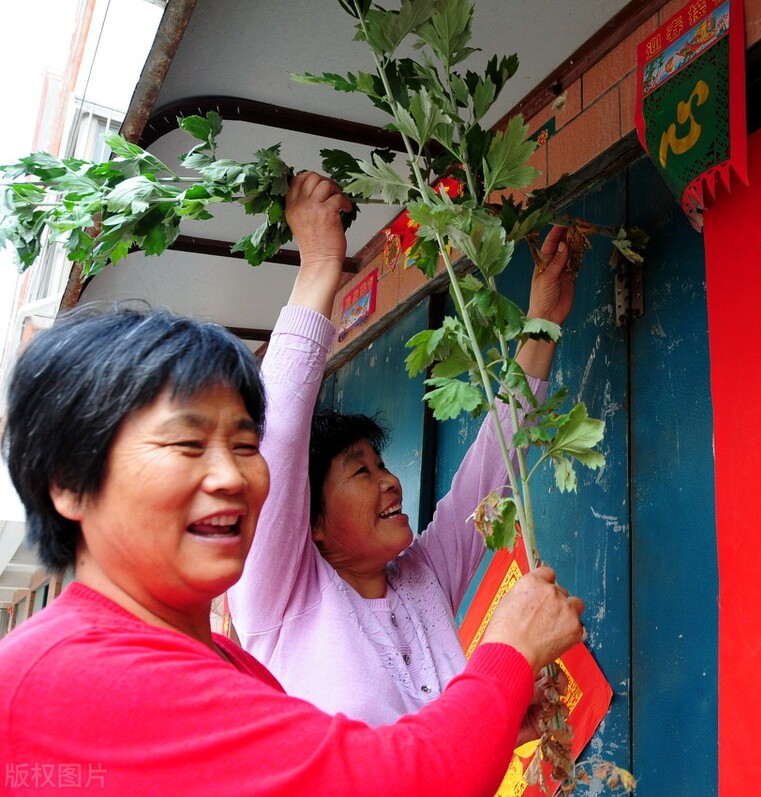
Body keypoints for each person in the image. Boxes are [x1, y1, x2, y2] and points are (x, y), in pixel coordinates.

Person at [0, 302, 585, 796]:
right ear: (69, 483)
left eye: (242, 446)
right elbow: (395, 780)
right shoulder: (51, 679)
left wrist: (541, 319)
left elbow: (489, 473)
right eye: (186, 443)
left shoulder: (239, 670)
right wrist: (507, 654)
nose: (230, 476)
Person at [226, 172, 576, 727]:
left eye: (382, 464)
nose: (390, 480)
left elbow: (491, 471)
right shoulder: (280, 594)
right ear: (310, 521)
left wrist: (541, 326)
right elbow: (279, 437)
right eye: (361, 472)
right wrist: (320, 264)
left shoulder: (421, 579)